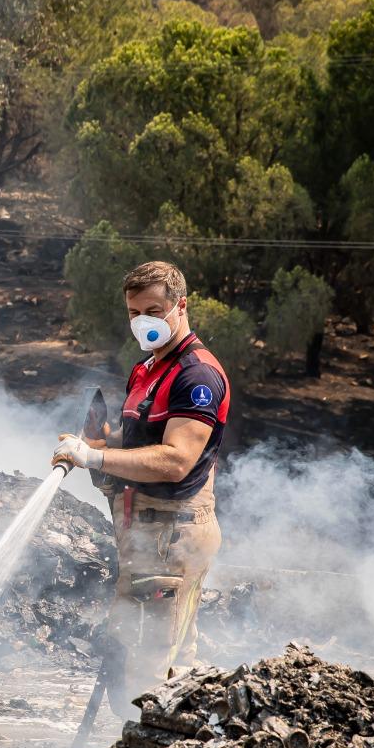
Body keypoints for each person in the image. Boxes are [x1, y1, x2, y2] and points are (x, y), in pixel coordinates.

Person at [52, 260, 230, 714]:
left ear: (181, 305)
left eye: (153, 310)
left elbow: (175, 461)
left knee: (153, 667)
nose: (142, 322)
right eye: (134, 313)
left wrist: (94, 457)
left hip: (173, 535)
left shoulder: (197, 377)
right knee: (150, 657)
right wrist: (98, 441)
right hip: (146, 533)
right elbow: (141, 442)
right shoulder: (148, 368)